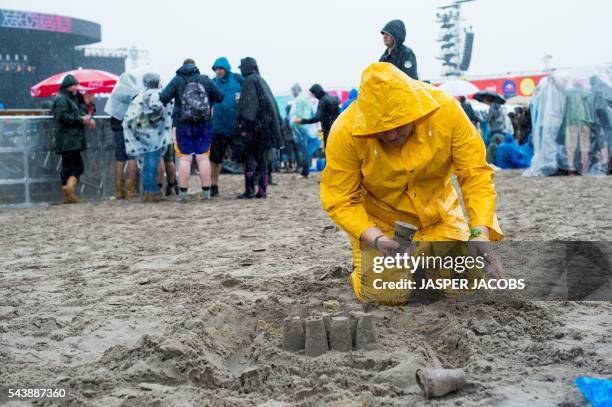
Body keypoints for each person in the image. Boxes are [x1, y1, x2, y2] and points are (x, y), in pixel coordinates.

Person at [320, 63, 503, 304]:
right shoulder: (345, 131)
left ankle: (425, 264)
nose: (392, 135)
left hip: (439, 216)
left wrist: (480, 232)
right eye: (381, 129)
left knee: (467, 284)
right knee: (389, 296)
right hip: (384, 226)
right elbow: (342, 199)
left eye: (398, 125)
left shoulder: (445, 110)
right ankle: (366, 268)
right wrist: (376, 239)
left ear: (415, 111)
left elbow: (475, 175)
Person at [160, 58, 223, 202]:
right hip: (204, 124)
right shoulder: (205, 80)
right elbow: (220, 97)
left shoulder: (177, 80)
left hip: (182, 124)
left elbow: (163, 97)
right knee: (203, 157)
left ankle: (183, 194)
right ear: (195, 67)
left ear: (182, 67)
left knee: (185, 159)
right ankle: (206, 192)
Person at [236, 57, 282, 199]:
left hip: (254, 128)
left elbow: (249, 107)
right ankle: (262, 190)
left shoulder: (249, 81)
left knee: (249, 159)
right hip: (265, 128)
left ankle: (250, 190)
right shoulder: (261, 80)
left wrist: (244, 127)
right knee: (262, 160)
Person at [123, 73, 173, 201]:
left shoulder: (141, 96)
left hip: (142, 135)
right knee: (153, 163)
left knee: (146, 163)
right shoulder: (159, 95)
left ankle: (147, 191)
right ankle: (153, 191)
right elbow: (158, 112)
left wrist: (140, 125)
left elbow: (130, 118)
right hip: (156, 135)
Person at [51, 74, 96, 204]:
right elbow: (62, 116)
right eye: (75, 86)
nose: (77, 88)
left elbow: (77, 113)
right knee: (77, 167)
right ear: (68, 87)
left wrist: (87, 116)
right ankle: (69, 191)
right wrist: (81, 119)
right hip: (68, 139)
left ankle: (68, 195)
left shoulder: (70, 98)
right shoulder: (61, 99)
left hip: (71, 139)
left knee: (68, 167)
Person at [210, 57, 243, 197]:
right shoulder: (212, 83)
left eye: (220, 68)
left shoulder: (238, 80)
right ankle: (213, 185)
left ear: (227, 68)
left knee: (243, 157)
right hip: (218, 127)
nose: (218, 71)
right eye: (216, 69)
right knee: (215, 159)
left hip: (236, 127)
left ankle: (249, 185)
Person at [104, 72, 139, 199]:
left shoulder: (116, 92)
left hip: (117, 129)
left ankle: (118, 190)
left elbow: (112, 112)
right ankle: (130, 189)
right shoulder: (134, 93)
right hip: (130, 129)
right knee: (132, 157)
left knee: (119, 158)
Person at [293, 84, 340, 148]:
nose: (314, 96)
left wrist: (301, 121)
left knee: (329, 152)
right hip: (338, 130)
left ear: (316, 92)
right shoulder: (333, 98)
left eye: (313, 94)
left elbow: (317, 118)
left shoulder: (323, 101)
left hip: (328, 131)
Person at [289, 83, 315, 178]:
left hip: (301, 127)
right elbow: (312, 113)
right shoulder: (306, 98)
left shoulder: (299, 99)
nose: (292, 93)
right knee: (306, 150)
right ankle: (306, 169)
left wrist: (297, 122)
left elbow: (299, 115)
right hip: (306, 127)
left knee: (304, 151)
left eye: (292, 91)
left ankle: (305, 171)